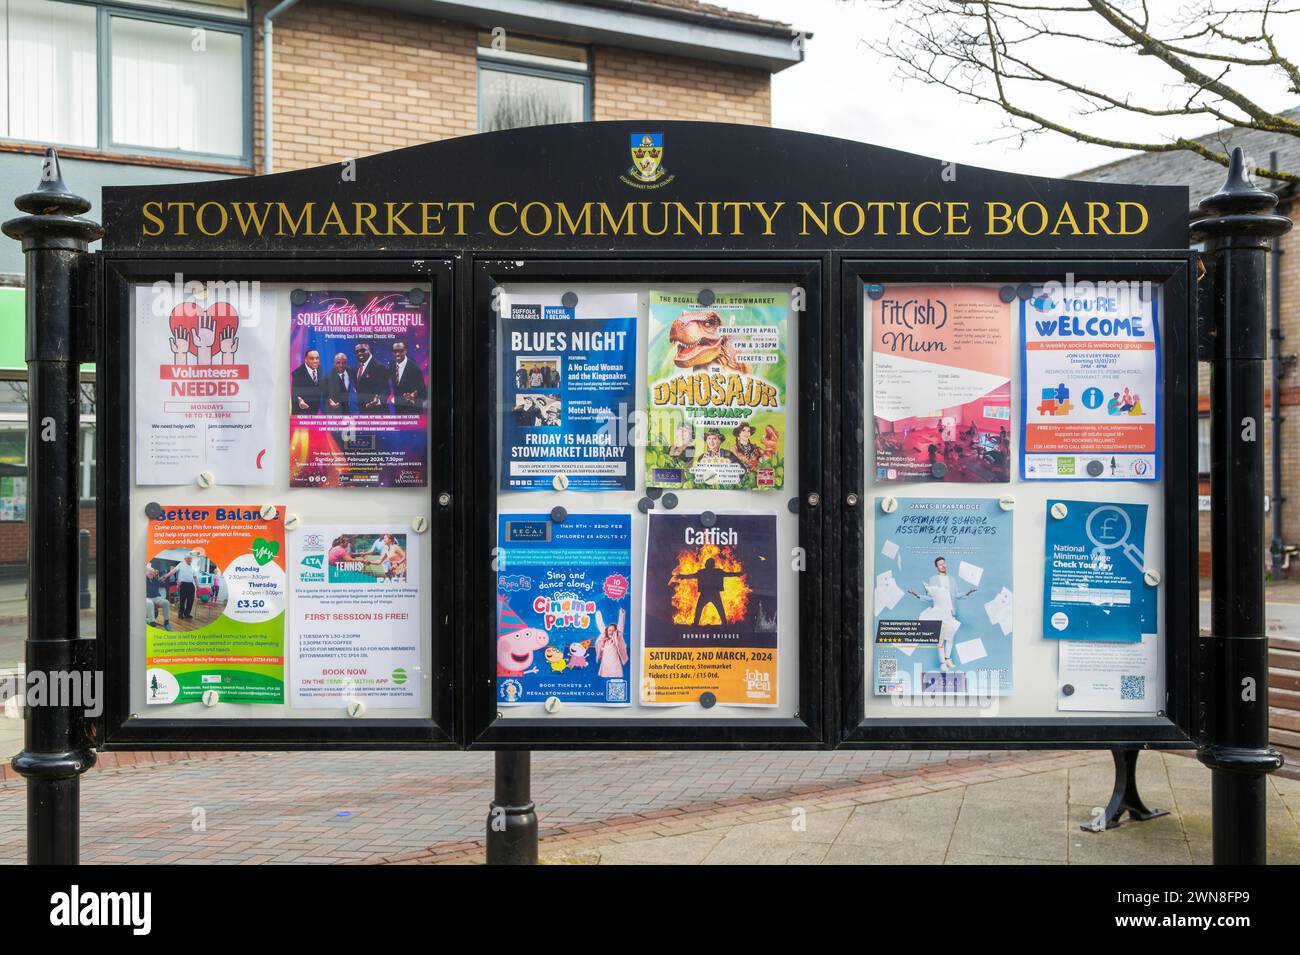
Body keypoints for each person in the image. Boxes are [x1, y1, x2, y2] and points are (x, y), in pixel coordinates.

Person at [907, 556, 977, 672]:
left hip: (950, 613)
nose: (943, 565)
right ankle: (942, 663)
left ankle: (948, 658)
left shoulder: (952, 580)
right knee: (940, 639)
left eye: (944, 563)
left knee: (950, 637)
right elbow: (930, 597)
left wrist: (967, 593)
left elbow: (956, 595)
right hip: (938, 613)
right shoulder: (932, 579)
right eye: (940, 564)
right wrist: (917, 595)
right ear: (936, 567)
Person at [673, 557, 744, 626]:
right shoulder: (716, 572)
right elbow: (729, 574)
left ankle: (696, 623)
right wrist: (737, 574)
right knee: (717, 609)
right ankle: (723, 623)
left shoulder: (705, 572)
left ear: (706, 565)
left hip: (707, 593)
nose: (708, 565)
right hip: (712, 593)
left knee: (702, 609)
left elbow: (692, 575)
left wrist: (683, 576)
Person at [390, 340, 427, 413]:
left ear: (405, 351)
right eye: (395, 351)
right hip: (398, 410)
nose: (397, 354)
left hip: (412, 411)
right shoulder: (392, 366)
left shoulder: (415, 369)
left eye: (400, 351)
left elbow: (422, 391)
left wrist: (413, 396)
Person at [354, 341, 391, 413]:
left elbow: (387, 389)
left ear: (369, 350)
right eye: (357, 352)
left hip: (378, 412)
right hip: (363, 412)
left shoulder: (379, 367)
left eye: (362, 350)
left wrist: (379, 400)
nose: (359, 353)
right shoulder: (357, 366)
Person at [595, 610, 629, 679]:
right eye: (609, 630)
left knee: (614, 672)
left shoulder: (616, 639)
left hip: (614, 660)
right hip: (606, 660)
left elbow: (620, 627)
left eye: (613, 630)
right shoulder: (605, 639)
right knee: (605, 674)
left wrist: (621, 614)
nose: (611, 632)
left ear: (615, 631)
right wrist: (598, 616)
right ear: (607, 631)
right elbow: (601, 626)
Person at [290, 348, 325, 415]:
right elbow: (295, 393)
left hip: (315, 411)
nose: (315, 361)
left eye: (317, 358)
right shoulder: (297, 373)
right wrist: (300, 401)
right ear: (306, 360)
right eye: (312, 358)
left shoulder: (319, 369)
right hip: (302, 413)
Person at [167, 554, 198, 620]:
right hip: (183, 585)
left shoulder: (193, 567)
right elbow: (174, 571)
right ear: (185, 559)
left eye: (190, 558)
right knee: (182, 600)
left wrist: (198, 586)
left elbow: (195, 577)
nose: (189, 560)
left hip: (191, 585)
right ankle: (181, 613)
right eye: (188, 558)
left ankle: (187, 613)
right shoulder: (181, 564)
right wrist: (166, 576)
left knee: (190, 601)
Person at [145, 564, 170, 629]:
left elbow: (163, 584)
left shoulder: (155, 580)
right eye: (150, 572)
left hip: (156, 597)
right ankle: (152, 622)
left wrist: (164, 579)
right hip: (146, 598)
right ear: (146, 572)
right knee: (149, 603)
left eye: (152, 572)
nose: (152, 573)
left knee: (166, 602)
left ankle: (166, 622)